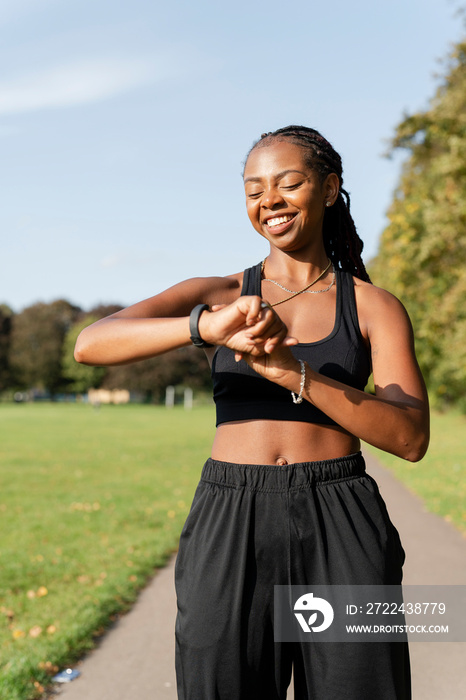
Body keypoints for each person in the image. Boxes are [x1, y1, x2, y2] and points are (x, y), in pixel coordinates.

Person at [74, 125, 429, 700]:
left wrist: (295, 374)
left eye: (289, 183)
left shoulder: (372, 306)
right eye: (254, 189)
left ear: (330, 188)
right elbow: (91, 343)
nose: (270, 201)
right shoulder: (216, 293)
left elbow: (411, 437)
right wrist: (203, 328)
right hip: (230, 513)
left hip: (339, 516)